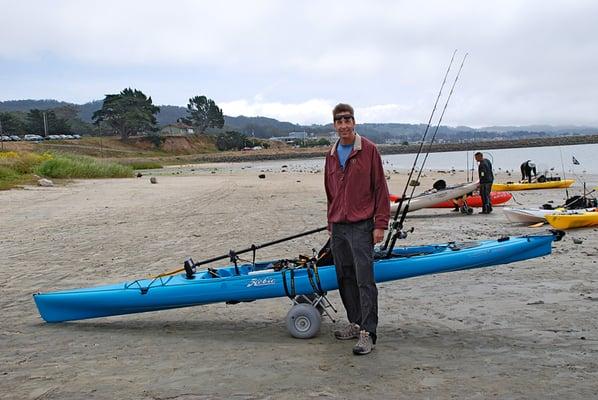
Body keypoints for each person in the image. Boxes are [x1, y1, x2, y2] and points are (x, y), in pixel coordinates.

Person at [324, 103, 390, 355]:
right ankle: (355, 321)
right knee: (345, 277)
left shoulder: (369, 150)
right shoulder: (331, 154)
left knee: (365, 280)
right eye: (339, 121)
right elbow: (330, 192)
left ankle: (368, 332)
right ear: (334, 125)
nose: (343, 125)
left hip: (362, 226)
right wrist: (331, 223)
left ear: (354, 122)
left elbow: (380, 190)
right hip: (338, 227)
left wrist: (380, 224)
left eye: (347, 120)